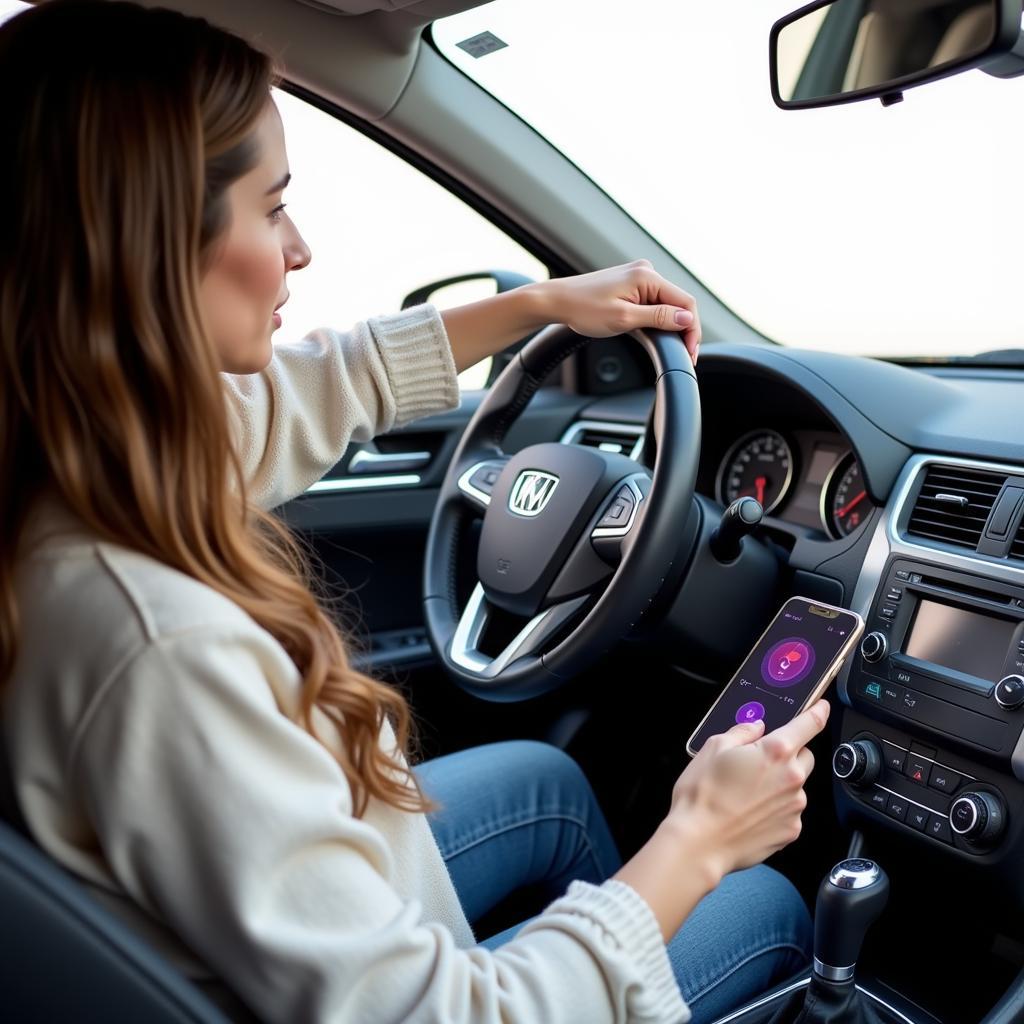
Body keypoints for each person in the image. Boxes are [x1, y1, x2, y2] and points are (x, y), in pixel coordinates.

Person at [0, 2, 828, 1022]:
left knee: (544, 780)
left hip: (291, 922)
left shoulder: (73, 457)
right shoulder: (160, 648)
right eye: (272, 207)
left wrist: (538, 304)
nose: (298, 249)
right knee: (764, 897)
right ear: (150, 242)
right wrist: (698, 838)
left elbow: (320, 386)